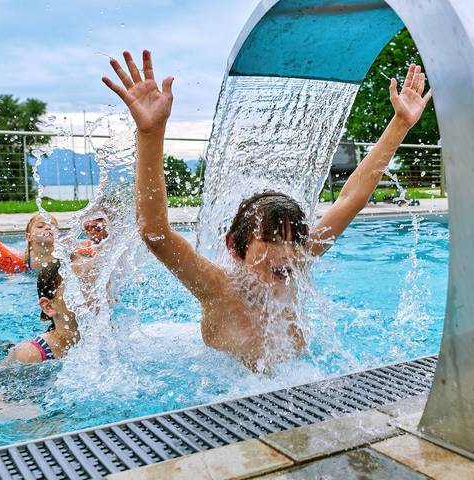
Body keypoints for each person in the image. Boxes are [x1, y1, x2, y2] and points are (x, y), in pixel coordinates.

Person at [102, 50, 433, 371]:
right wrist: (151, 133)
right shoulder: (217, 288)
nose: (287, 253)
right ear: (235, 247)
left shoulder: (297, 262)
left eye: (293, 241)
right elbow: (155, 234)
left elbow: (350, 199)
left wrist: (401, 123)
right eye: (272, 240)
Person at [6, 261, 81, 362]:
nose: (93, 293)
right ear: (48, 307)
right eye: (78, 288)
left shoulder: (105, 336)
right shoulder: (31, 354)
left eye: (95, 284)